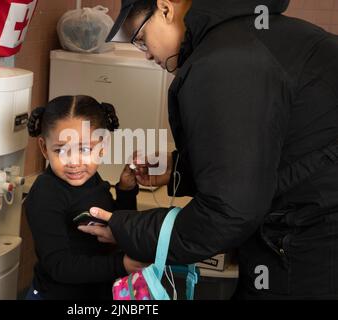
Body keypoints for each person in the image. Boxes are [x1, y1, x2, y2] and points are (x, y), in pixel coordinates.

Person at [79, 0, 338, 299]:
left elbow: (231, 212)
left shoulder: (224, 61)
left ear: (165, 9)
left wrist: (127, 230)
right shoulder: (251, 35)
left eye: (140, 39)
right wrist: (177, 169)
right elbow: (256, 155)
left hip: (315, 240)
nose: (147, 53)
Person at [25, 95, 145, 300]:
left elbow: (116, 226)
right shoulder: (46, 193)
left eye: (85, 149)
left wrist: (125, 191)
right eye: (61, 150)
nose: (74, 161)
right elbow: (59, 266)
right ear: (44, 148)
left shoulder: (91, 179)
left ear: (103, 145)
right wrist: (121, 265)